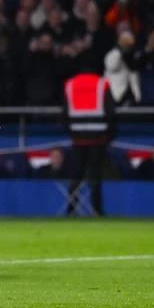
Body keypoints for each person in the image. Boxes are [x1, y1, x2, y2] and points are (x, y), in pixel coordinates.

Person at [63, 67, 115, 216]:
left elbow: (64, 112)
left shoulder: (70, 84)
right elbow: (110, 111)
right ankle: (97, 211)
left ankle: (71, 209)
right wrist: (110, 134)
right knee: (95, 176)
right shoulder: (102, 84)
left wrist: (71, 132)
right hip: (98, 137)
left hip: (77, 137)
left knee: (76, 175)